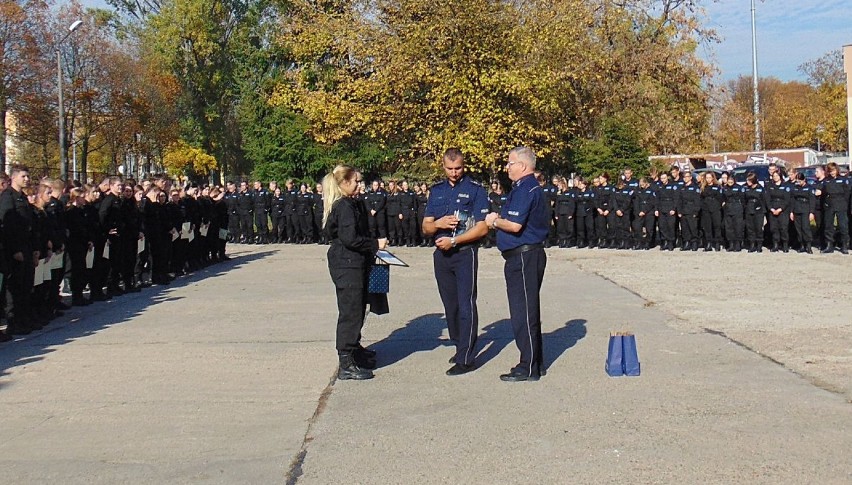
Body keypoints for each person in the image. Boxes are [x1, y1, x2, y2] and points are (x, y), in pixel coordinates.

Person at [422, 148, 489, 376]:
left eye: (458, 168)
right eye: (450, 168)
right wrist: (439, 224)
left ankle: (466, 357)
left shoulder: (476, 190)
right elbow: (426, 226)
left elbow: (482, 227)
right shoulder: (437, 191)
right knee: (450, 305)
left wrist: (455, 240)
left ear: (464, 166)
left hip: (464, 252)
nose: (454, 173)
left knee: (465, 303)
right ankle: (461, 344)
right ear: (443, 167)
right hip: (441, 255)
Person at [485, 146, 548, 382]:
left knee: (523, 311)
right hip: (525, 255)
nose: (507, 167)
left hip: (524, 256)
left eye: (510, 163)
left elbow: (514, 225)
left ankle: (528, 365)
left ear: (522, 166)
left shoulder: (525, 189)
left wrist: (494, 221)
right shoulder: (527, 187)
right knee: (526, 308)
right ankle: (535, 361)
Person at [323, 165, 387, 380]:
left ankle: (354, 349)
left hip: (355, 263)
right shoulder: (344, 207)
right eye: (356, 181)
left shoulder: (353, 203)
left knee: (359, 308)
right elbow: (350, 238)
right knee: (350, 312)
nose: (360, 185)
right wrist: (375, 244)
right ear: (344, 184)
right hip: (347, 265)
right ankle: (346, 361)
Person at [816, 162, 849, 254]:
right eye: (830, 171)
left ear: (837, 170)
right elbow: (820, 191)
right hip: (829, 205)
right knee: (828, 226)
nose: (832, 172)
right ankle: (829, 245)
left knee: (843, 226)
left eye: (833, 170)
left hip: (840, 204)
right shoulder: (826, 181)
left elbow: (847, 194)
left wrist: (844, 204)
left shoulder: (843, 180)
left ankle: (844, 245)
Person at [790, 173, 816, 253]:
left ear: (804, 180)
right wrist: (791, 211)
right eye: (797, 181)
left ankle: (808, 245)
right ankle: (801, 245)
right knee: (798, 228)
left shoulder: (809, 188)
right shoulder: (795, 188)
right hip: (797, 209)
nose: (799, 183)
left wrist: (811, 212)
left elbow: (812, 200)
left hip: (805, 209)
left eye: (800, 181)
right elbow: (792, 200)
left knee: (805, 228)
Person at [766, 171, 791, 252]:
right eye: (774, 176)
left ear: (780, 176)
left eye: (777, 175)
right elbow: (767, 199)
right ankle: (775, 244)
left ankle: (785, 245)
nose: (775, 177)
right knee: (774, 228)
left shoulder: (786, 186)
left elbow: (787, 200)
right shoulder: (770, 186)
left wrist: (780, 209)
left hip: (783, 210)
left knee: (783, 228)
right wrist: (771, 209)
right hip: (773, 209)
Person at [744, 173, 769, 253]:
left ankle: (759, 245)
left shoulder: (760, 189)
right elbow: (744, 199)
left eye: (749, 180)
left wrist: (763, 210)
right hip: (749, 209)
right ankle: (752, 244)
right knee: (750, 228)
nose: (747, 182)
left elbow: (764, 200)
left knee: (758, 228)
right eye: (747, 180)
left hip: (758, 210)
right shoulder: (746, 188)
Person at [699, 171, 723, 251]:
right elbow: (701, 198)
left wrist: (717, 206)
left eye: (710, 177)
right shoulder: (703, 187)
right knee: (707, 227)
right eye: (707, 178)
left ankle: (717, 243)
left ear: (713, 178)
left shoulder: (718, 186)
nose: (708, 179)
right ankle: (708, 243)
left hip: (715, 209)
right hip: (706, 209)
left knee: (717, 226)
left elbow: (720, 198)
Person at [677, 171, 701, 251]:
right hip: (683, 210)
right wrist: (679, 211)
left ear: (690, 177)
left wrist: (696, 211)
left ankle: (694, 243)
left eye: (687, 177)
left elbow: (697, 201)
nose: (685, 178)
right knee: (684, 228)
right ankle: (686, 243)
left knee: (693, 228)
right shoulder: (682, 188)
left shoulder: (695, 187)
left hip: (692, 210)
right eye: (684, 177)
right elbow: (679, 200)